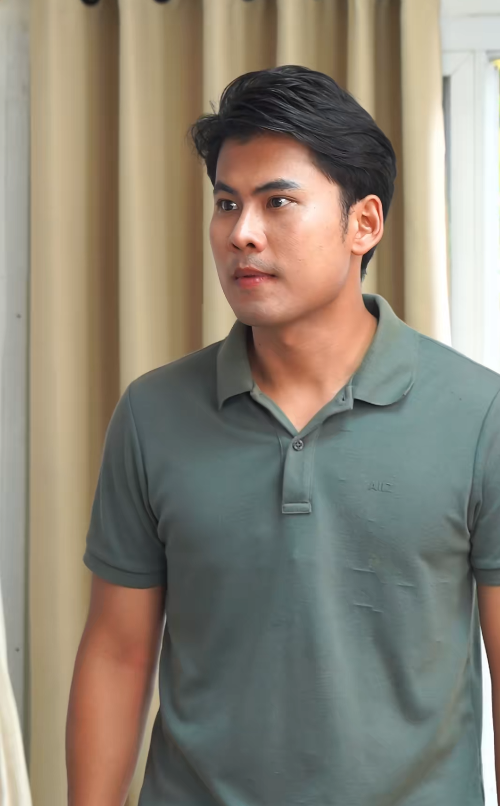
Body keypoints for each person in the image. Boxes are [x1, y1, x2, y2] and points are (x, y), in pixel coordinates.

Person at [66, 65, 500, 806]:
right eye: (226, 203)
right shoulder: (152, 413)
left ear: (364, 224)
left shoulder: (479, 414)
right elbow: (117, 653)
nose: (242, 232)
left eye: (278, 202)